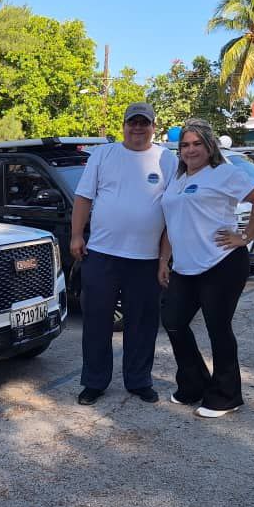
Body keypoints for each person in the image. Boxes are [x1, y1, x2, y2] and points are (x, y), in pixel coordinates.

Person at [158, 118, 254, 418]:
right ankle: (194, 384)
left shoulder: (223, 173)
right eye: (185, 144)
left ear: (210, 147)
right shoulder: (178, 179)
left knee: (217, 329)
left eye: (197, 144)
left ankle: (226, 396)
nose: (190, 149)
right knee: (173, 320)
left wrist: (247, 235)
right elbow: (173, 222)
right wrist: (163, 259)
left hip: (221, 263)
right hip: (184, 267)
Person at [71, 102, 178, 405]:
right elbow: (83, 197)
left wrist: (163, 259)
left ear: (154, 127)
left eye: (145, 123)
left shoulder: (165, 158)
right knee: (96, 322)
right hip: (102, 254)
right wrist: (77, 235)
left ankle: (138, 381)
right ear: (124, 125)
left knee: (142, 324)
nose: (138, 128)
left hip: (145, 260)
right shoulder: (103, 154)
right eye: (133, 122)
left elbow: (171, 213)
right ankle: (94, 382)